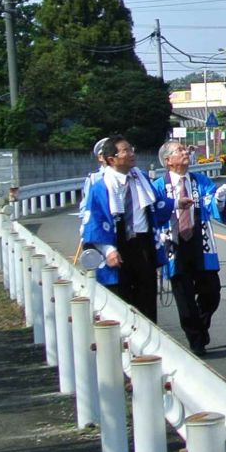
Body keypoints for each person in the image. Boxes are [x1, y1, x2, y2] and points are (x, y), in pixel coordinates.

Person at [78, 136, 162, 320]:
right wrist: (108, 250)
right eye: (125, 151)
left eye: (131, 149)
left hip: (143, 244)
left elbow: (158, 206)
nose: (132, 154)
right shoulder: (101, 186)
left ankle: (147, 345)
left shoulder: (141, 179)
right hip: (118, 245)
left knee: (147, 297)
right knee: (121, 299)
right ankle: (124, 345)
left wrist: (177, 204)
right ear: (111, 159)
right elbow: (95, 221)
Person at [152, 140, 222, 355]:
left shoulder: (200, 181)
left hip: (199, 240)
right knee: (184, 294)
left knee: (211, 291)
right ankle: (195, 338)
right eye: (180, 150)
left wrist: (219, 199)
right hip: (173, 241)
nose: (186, 153)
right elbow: (152, 212)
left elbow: (211, 202)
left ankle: (202, 324)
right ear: (168, 160)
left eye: (185, 149)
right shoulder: (157, 186)